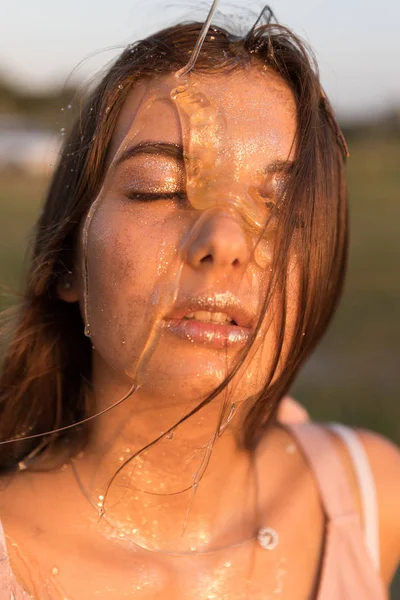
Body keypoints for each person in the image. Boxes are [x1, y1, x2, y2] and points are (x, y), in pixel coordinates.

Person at [0, 7, 399, 599]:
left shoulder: (371, 493)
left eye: (281, 207)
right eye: (160, 188)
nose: (226, 239)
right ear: (67, 265)